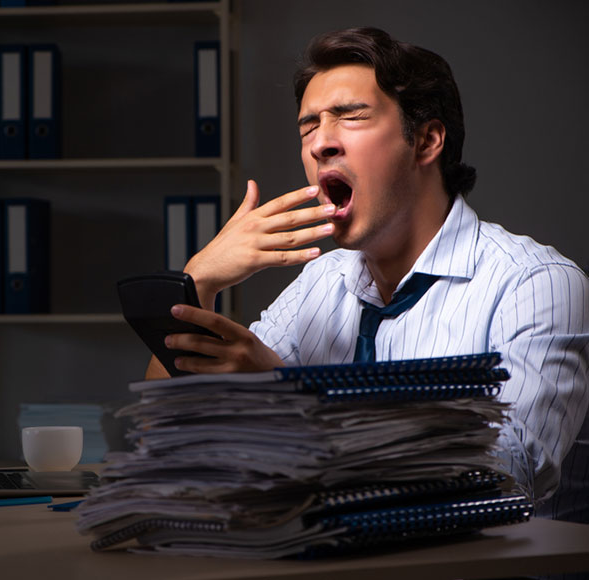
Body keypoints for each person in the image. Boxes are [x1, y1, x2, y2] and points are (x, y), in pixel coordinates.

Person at [145, 27, 589, 524]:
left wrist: (289, 394)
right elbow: (168, 439)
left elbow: (507, 475)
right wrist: (196, 281)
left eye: (351, 117)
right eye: (308, 127)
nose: (320, 144)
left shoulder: (537, 284)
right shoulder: (321, 282)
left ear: (426, 141)